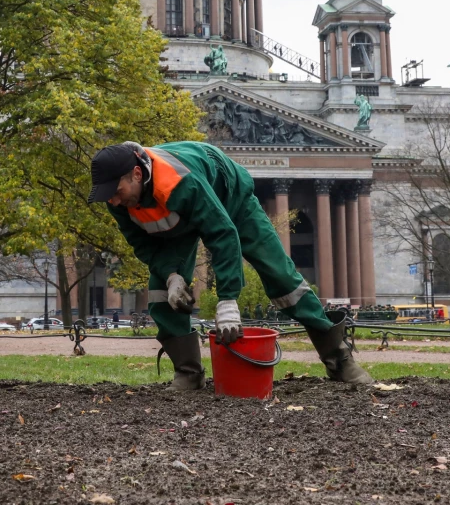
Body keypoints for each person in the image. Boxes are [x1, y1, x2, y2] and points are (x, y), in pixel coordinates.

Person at [89, 141, 373, 389]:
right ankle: (188, 374)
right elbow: (142, 244)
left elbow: (223, 233)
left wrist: (228, 300)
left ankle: (340, 359)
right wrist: (171, 275)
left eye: (116, 191)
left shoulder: (180, 181)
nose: (113, 200)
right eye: (108, 195)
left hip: (231, 197)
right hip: (177, 223)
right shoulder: (116, 201)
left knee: (283, 279)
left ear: (137, 174)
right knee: (161, 295)